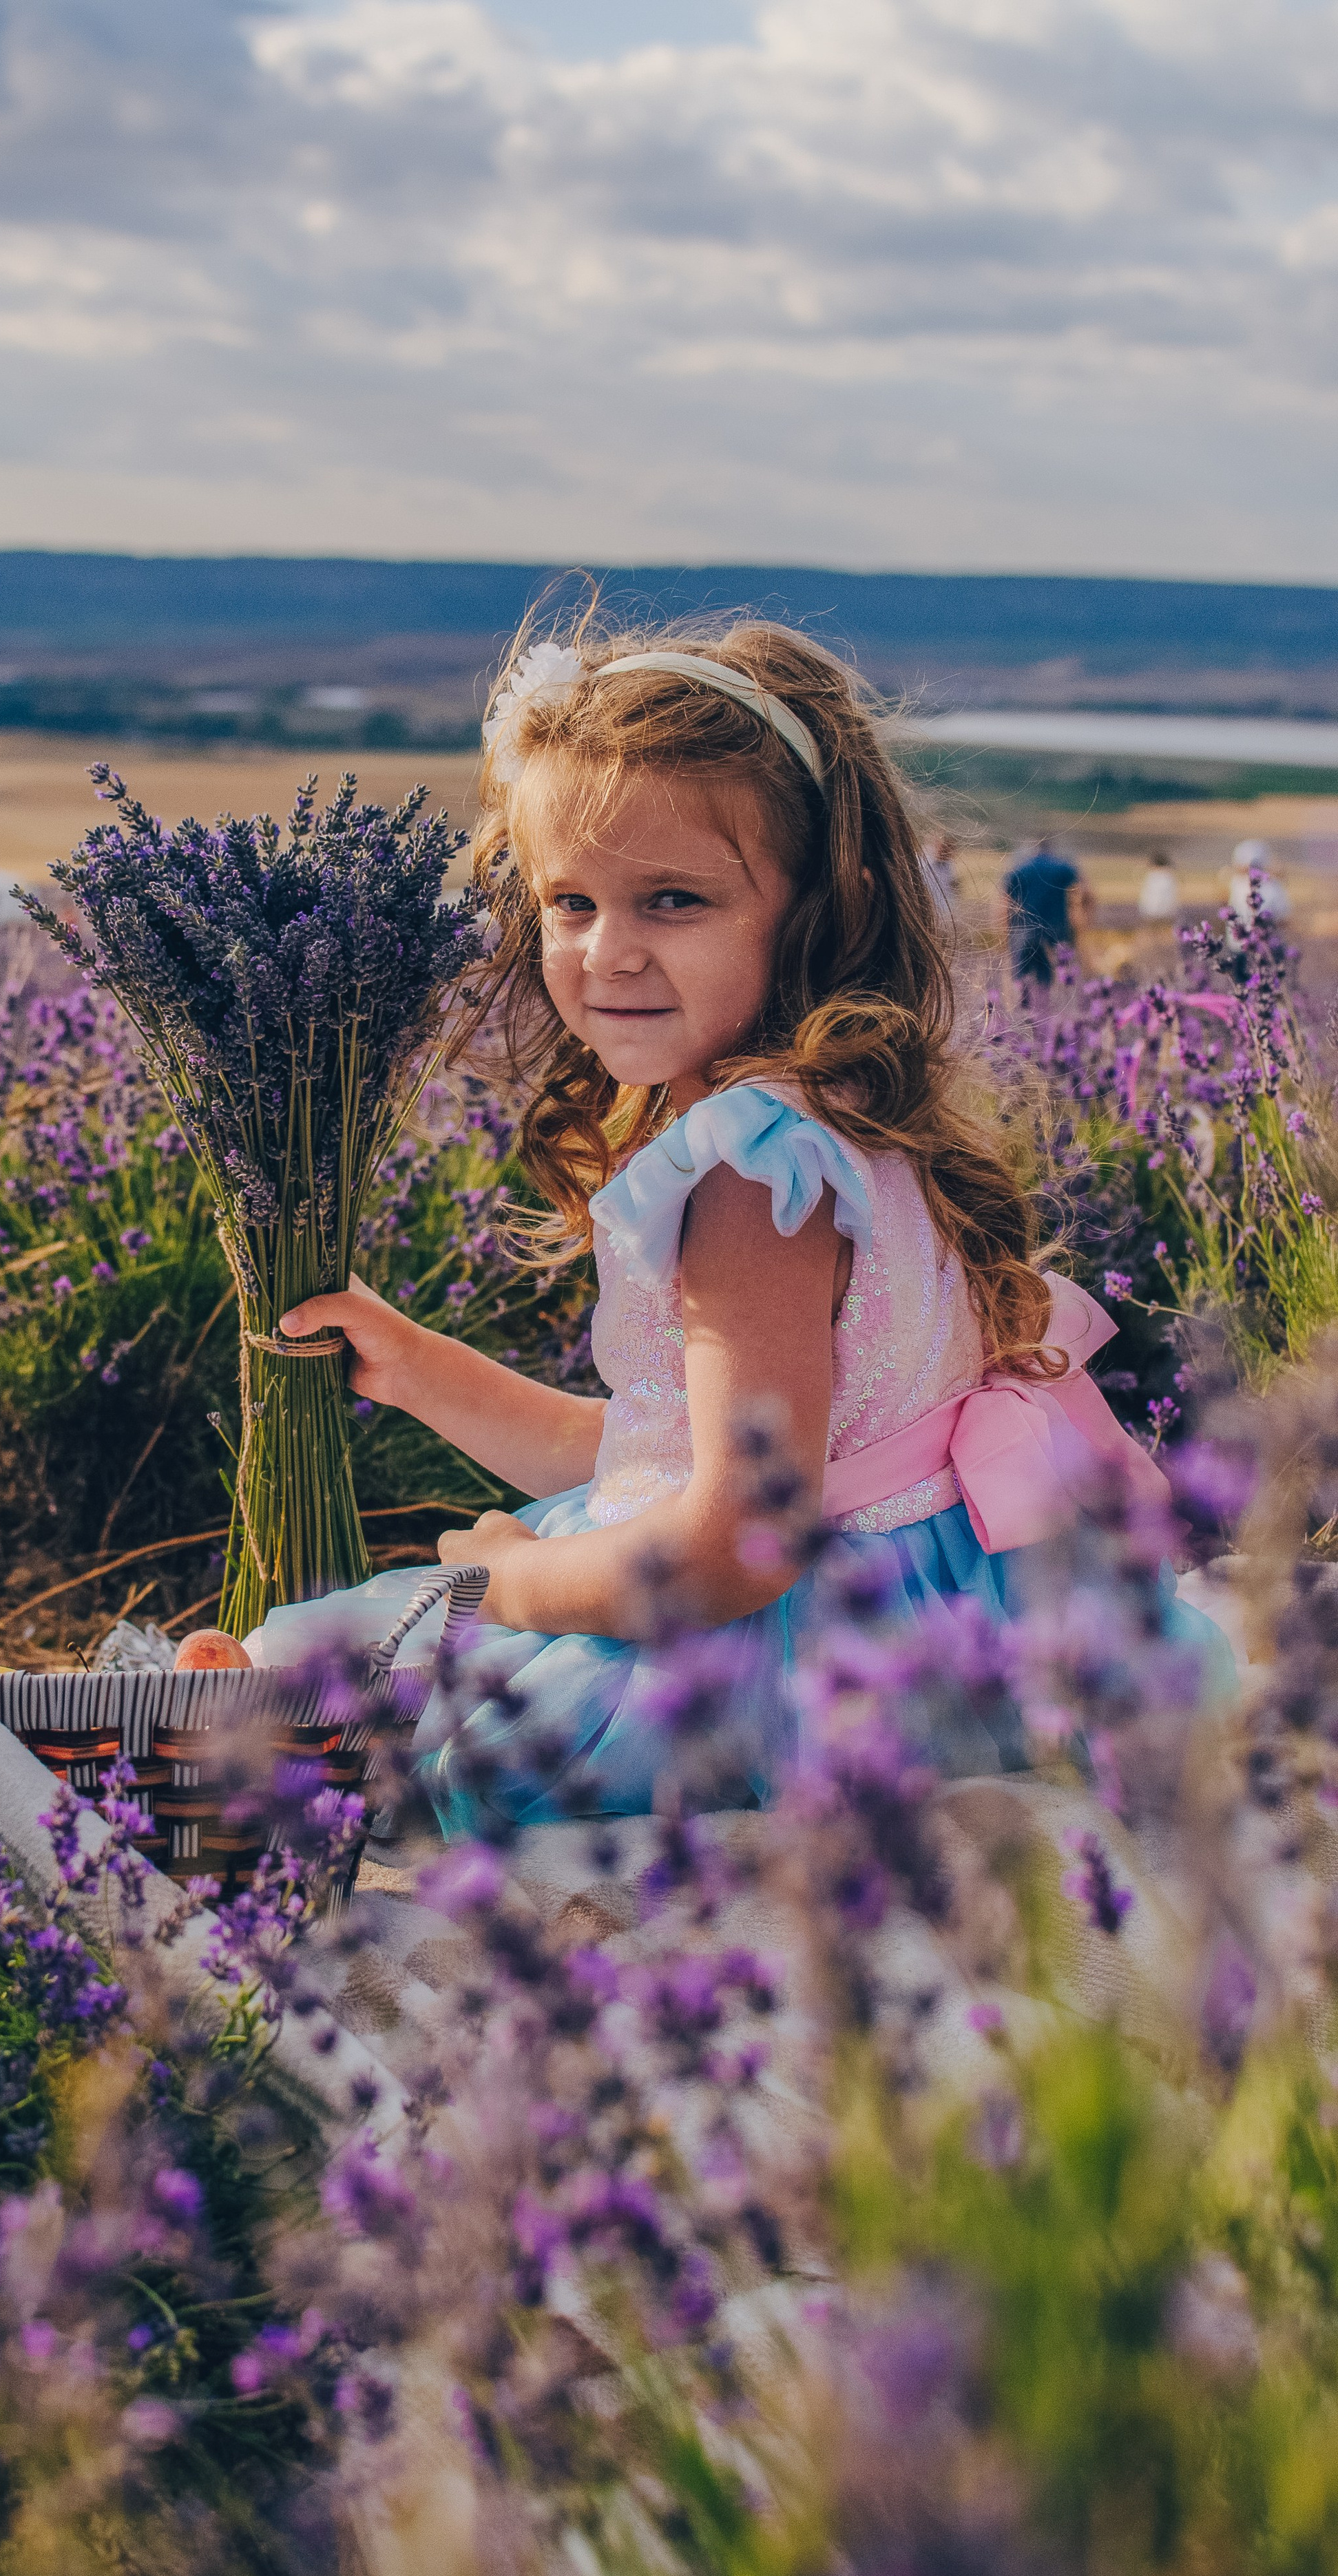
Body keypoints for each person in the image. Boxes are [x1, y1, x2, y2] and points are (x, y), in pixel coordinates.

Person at [251, 622, 1233, 1828]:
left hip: (778, 1659)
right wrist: (423, 1373)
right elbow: (661, 1462)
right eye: (570, 902)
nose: (608, 952)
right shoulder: (838, 1111)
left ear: (820, 905)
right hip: (932, 1614)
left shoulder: (745, 1174)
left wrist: (509, 1584)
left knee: (332, 1695)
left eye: (673, 900)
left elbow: (729, 1549)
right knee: (345, 1653)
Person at [1003, 835, 1083, 986]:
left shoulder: (1020, 870)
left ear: (1033, 849)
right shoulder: (1062, 869)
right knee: (1059, 973)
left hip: (1024, 929)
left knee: (1022, 975)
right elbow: (1084, 891)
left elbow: (1005, 901)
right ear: (1051, 849)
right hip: (1056, 929)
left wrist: (1005, 931)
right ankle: (1054, 1002)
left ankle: (1025, 1003)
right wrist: (1080, 922)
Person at [1225, 837, 1289, 928]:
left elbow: (1283, 919)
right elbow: (1284, 919)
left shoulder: (1235, 883)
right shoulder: (1236, 884)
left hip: (1260, 938)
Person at [918, 832, 959, 925]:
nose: (950, 852)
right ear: (937, 845)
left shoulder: (949, 865)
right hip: (925, 913)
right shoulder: (922, 863)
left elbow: (950, 888)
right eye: (946, 848)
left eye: (952, 848)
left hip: (945, 915)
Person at [1138, 849, 1180, 922]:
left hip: (1153, 912)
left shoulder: (1152, 876)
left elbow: (1147, 895)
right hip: (1166, 912)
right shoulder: (1169, 876)